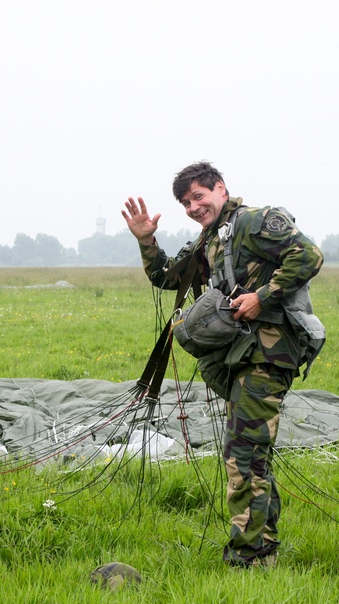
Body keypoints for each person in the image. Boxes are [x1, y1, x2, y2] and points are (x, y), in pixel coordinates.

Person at [121, 162, 324, 568]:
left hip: (267, 354)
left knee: (243, 456)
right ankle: (261, 548)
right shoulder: (210, 239)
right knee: (249, 456)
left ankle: (249, 560)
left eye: (199, 196)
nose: (194, 207)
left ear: (220, 189)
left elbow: (309, 255)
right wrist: (147, 240)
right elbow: (166, 276)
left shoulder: (253, 221)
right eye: (185, 203)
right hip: (239, 356)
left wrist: (262, 297)